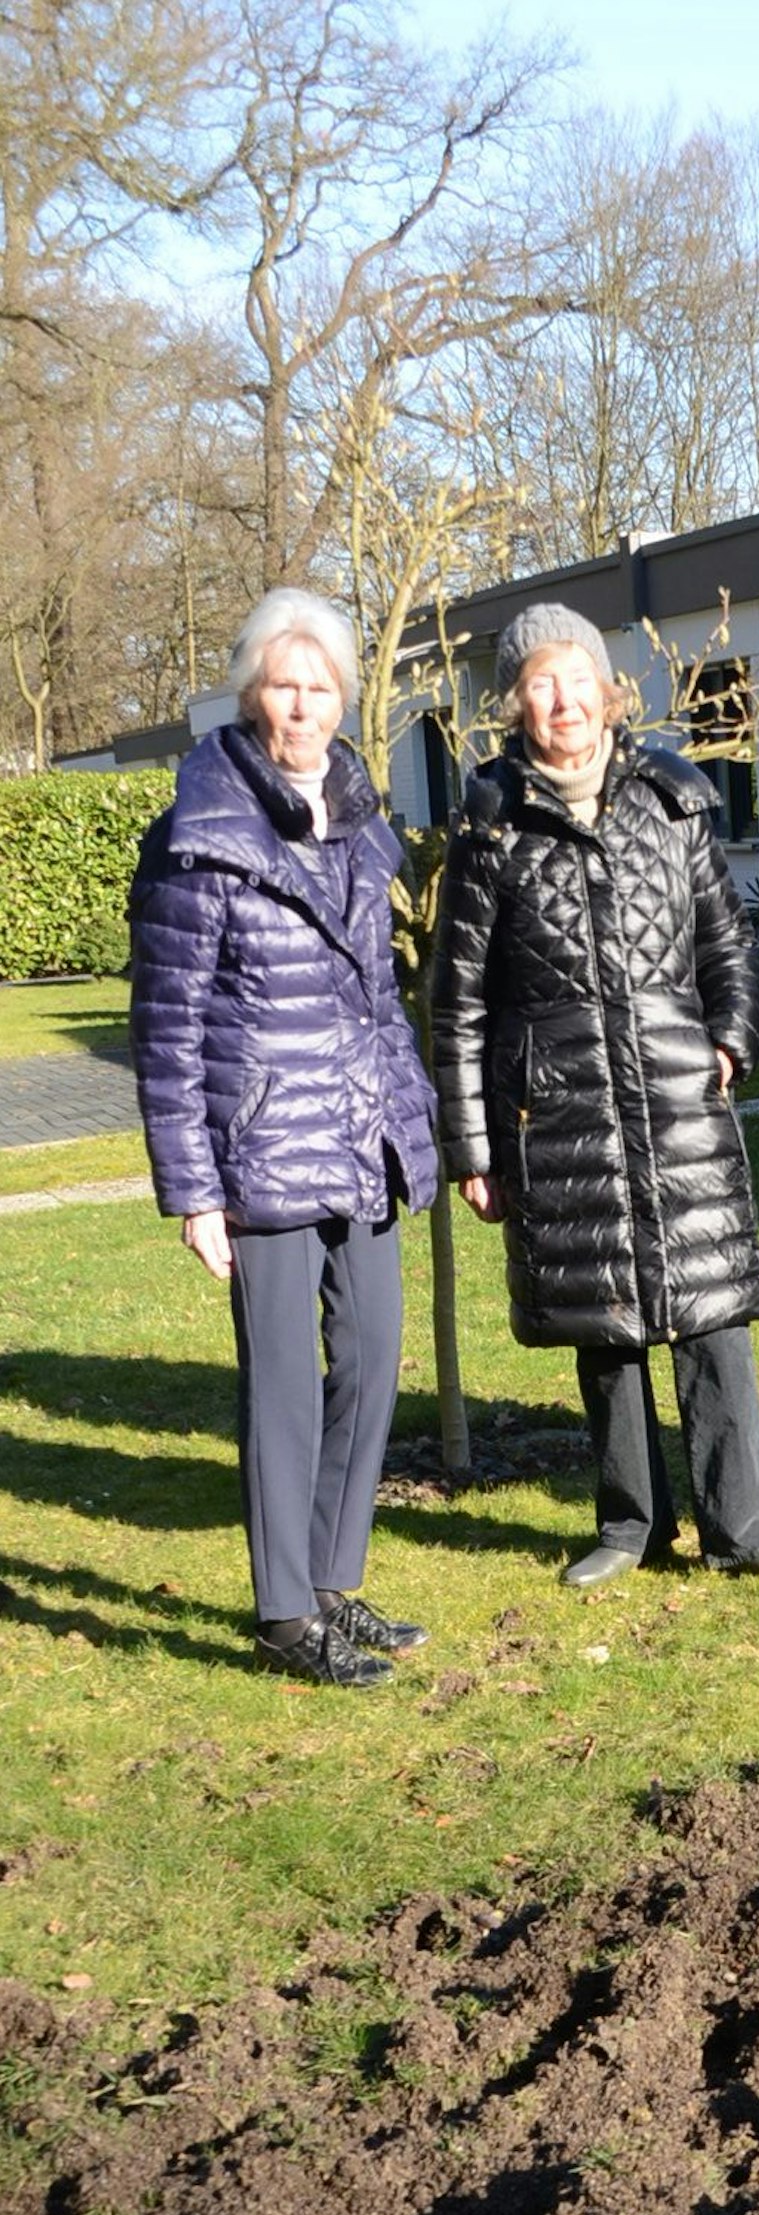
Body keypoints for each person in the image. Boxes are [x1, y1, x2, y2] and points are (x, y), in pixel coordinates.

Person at [431, 603, 759, 1589]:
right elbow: (459, 1003)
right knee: (602, 1323)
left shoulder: (672, 800)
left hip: (677, 1097)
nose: (562, 700)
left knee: (712, 1310)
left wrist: (731, 1038)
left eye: (576, 678)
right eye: (539, 683)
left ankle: (747, 1527)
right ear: (514, 703)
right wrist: (473, 1149)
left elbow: (725, 940)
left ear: (608, 691)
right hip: (558, 1110)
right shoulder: (488, 829)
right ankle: (628, 1526)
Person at [129, 590, 439, 1687]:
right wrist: (193, 1190)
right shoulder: (199, 832)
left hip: (360, 1139)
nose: (301, 705)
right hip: (259, 1147)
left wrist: (414, 1126)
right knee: (284, 1387)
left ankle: (331, 1581)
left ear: (343, 698)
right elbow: (166, 1025)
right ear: (250, 693)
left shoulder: (359, 820)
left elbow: (381, 1004)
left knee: (372, 1358)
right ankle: (282, 1613)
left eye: (320, 686)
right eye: (282, 684)